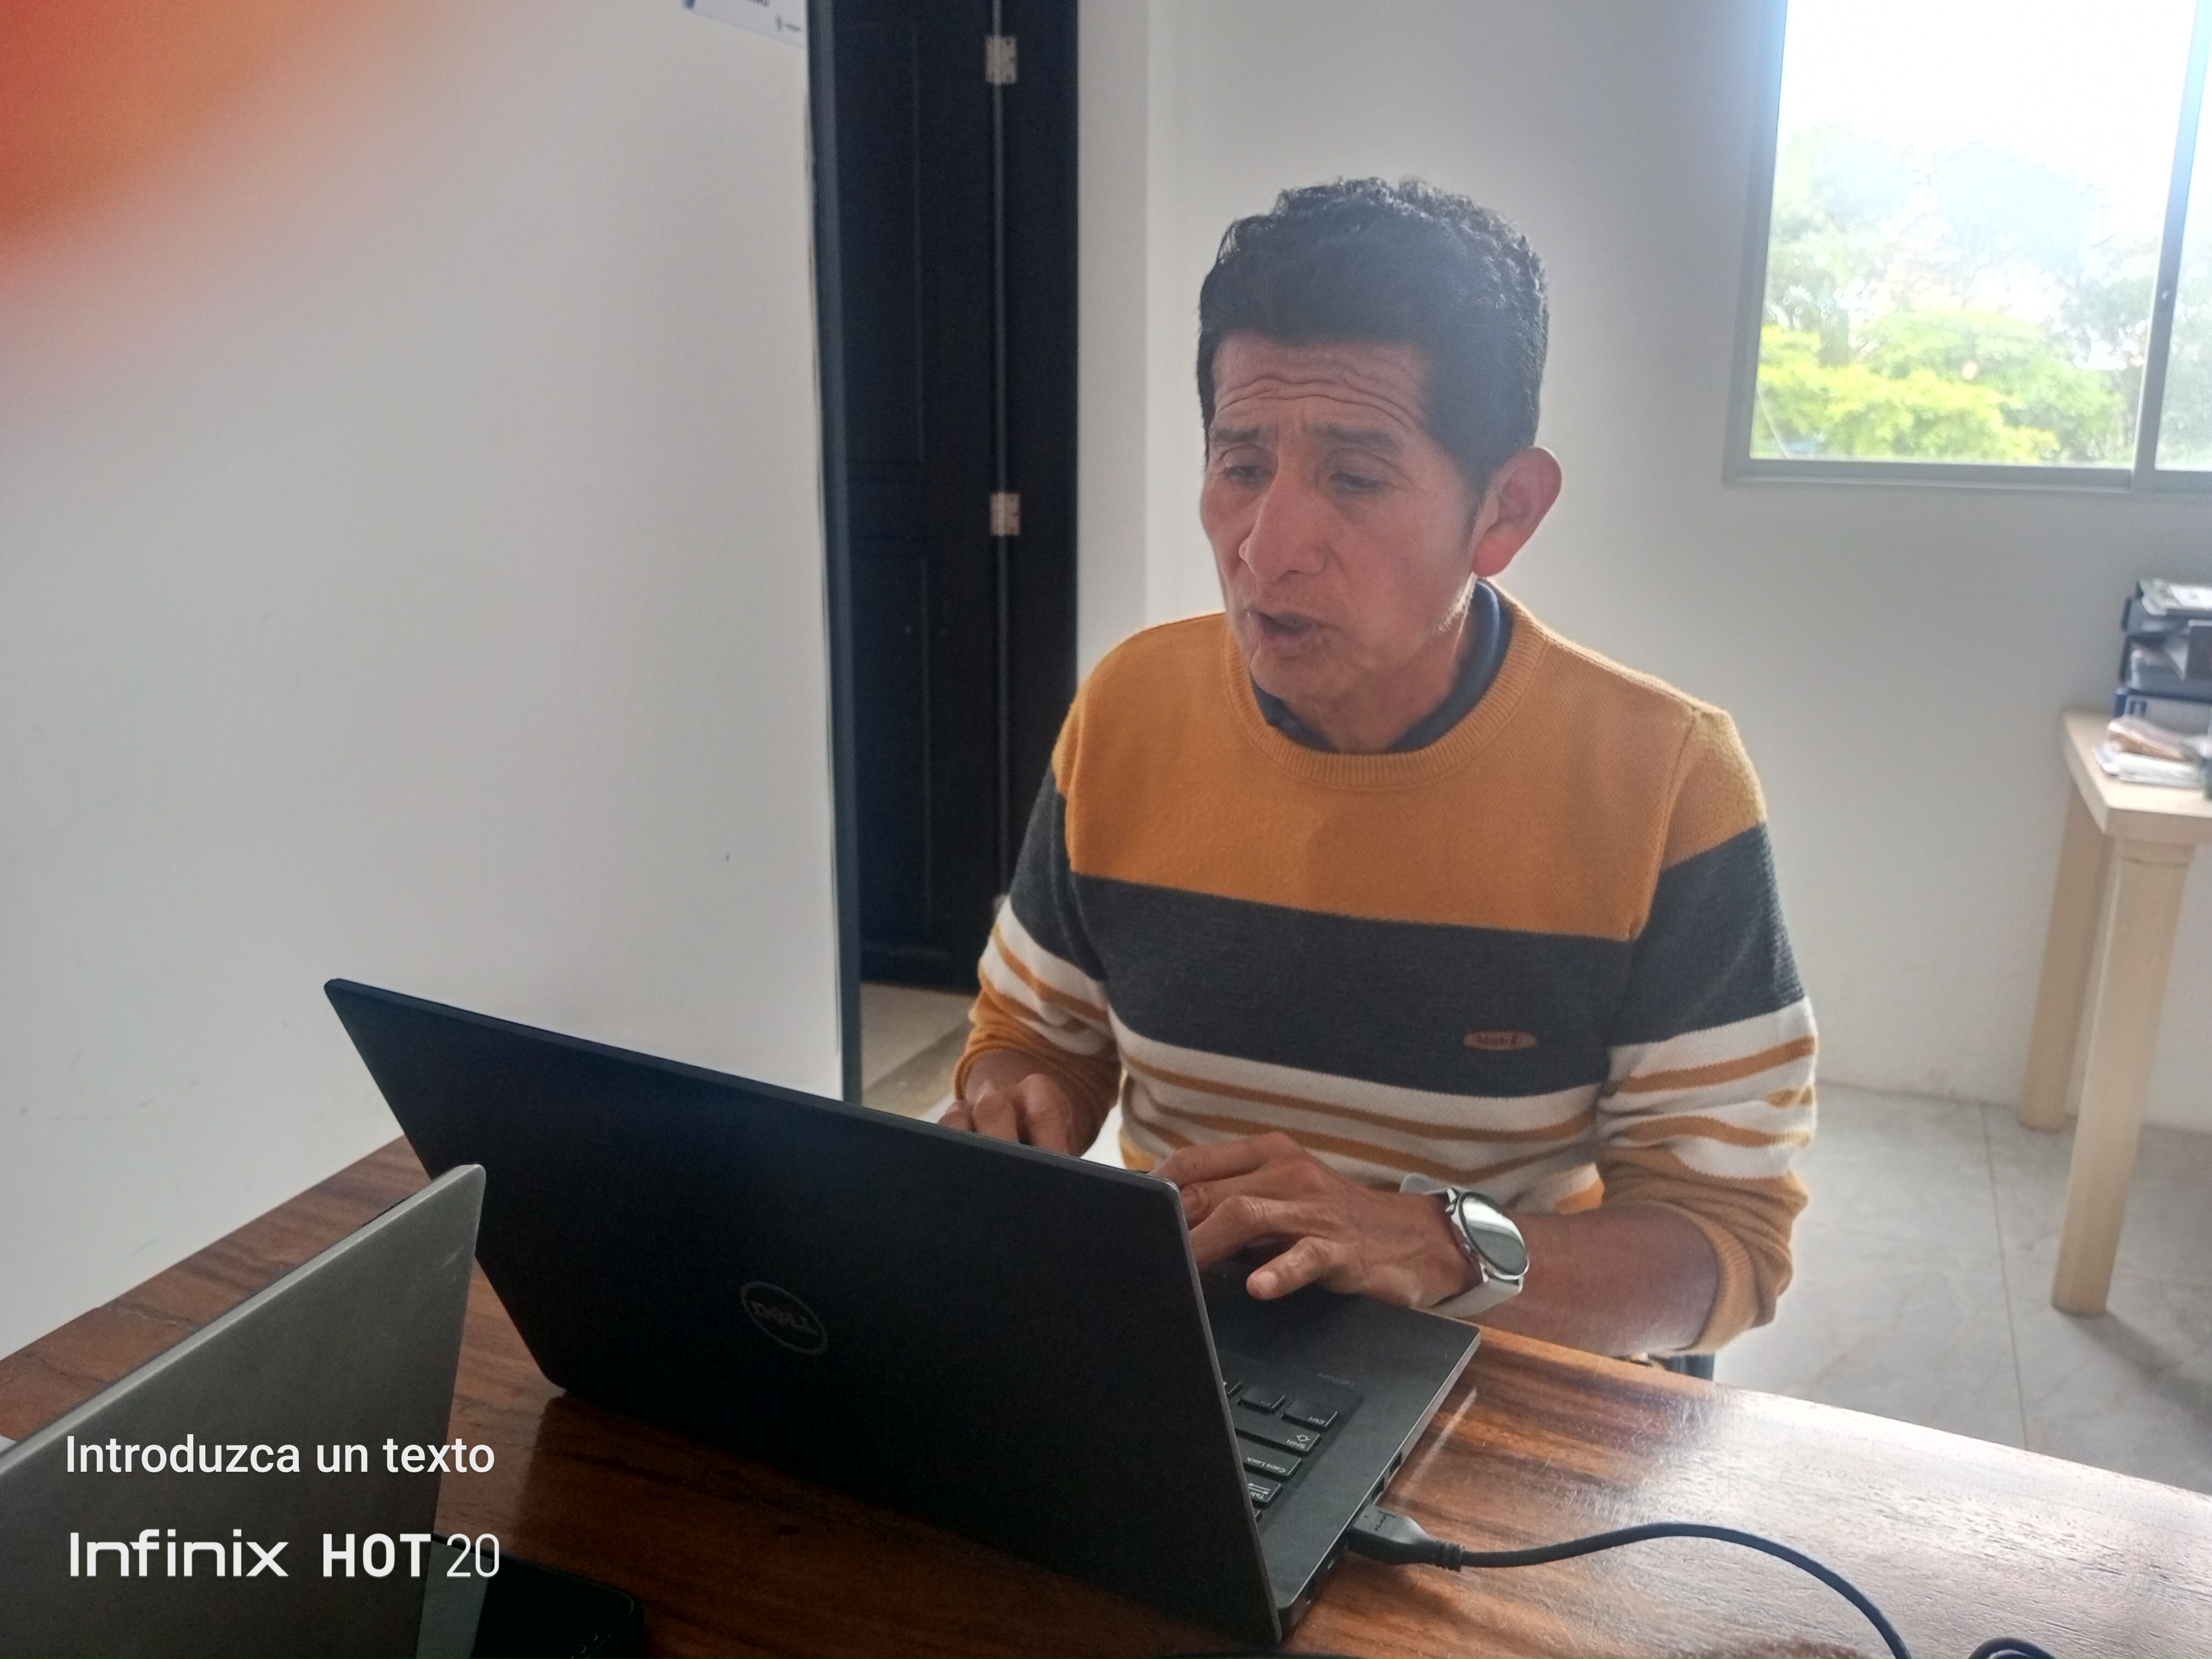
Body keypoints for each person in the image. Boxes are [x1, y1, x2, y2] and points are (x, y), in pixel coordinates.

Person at [943, 178, 1814, 1359]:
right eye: (1241, 464)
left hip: (1494, 1370)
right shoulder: (1131, 709)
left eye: (1354, 478)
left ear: (1504, 511)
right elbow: (1036, 1036)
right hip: (1189, 1348)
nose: (1268, 548)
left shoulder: (1664, 782)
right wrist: (1019, 1098)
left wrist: (1427, 1245)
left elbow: (1725, 1246)